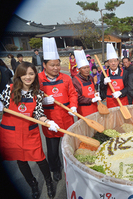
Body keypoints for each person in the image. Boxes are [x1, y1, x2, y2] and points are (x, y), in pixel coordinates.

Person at [0, 62, 59, 199]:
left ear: (35, 75)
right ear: (18, 75)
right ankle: (33, 184)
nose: (28, 77)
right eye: (24, 74)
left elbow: (38, 114)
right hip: (12, 133)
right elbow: (2, 104)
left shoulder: (37, 94)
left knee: (40, 158)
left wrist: (48, 121)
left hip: (29, 132)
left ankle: (48, 182)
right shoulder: (9, 89)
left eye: (31, 74)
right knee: (21, 160)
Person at [39, 37, 78, 182]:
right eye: (52, 65)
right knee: (53, 149)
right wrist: (42, 100)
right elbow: (33, 100)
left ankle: (71, 166)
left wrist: (73, 105)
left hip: (66, 117)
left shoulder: (66, 78)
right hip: (50, 119)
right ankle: (55, 168)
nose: (56, 68)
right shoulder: (38, 79)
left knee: (68, 145)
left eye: (57, 64)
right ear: (44, 65)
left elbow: (73, 93)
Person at [100, 43, 129, 108]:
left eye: (115, 61)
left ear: (118, 62)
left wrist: (120, 93)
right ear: (107, 63)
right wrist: (104, 83)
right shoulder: (104, 73)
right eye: (111, 61)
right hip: (110, 102)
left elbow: (128, 87)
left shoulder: (125, 73)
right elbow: (101, 88)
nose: (113, 63)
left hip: (123, 101)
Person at [73, 50, 100, 116]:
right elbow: (77, 97)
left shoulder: (90, 77)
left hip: (95, 107)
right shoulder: (75, 80)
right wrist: (91, 100)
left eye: (88, 67)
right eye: (84, 68)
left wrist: (97, 94)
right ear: (79, 70)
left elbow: (94, 89)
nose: (87, 70)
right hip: (84, 110)